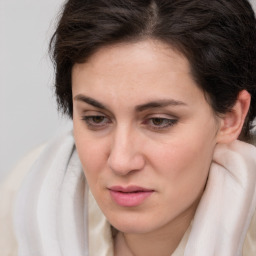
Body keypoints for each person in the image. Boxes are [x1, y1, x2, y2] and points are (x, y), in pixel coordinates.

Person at [1, 0, 256, 255]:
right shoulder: (27, 196)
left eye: (159, 121)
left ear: (231, 118)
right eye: (96, 118)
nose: (121, 162)